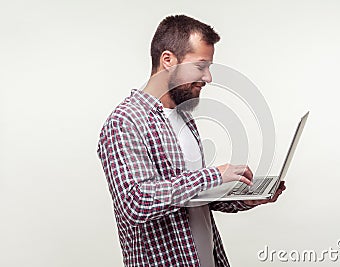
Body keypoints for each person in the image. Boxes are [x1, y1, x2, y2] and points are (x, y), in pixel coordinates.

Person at [97, 14, 286, 267]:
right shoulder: (125, 121)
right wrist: (214, 175)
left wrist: (242, 198)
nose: (208, 77)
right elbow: (136, 201)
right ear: (168, 60)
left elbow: (190, 197)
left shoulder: (184, 117)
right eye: (200, 66)